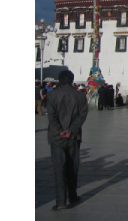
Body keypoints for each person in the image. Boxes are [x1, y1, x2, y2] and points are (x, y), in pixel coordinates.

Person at [47, 70, 89, 210]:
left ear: (60, 80)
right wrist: (71, 130)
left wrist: (60, 130)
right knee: (73, 166)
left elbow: (52, 116)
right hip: (74, 136)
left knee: (59, 168)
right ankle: (72, 195)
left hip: (56, 136)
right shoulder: (80, 95)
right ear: (72, 80)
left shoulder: (52, 95)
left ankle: (60, 202)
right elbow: (82, 115)